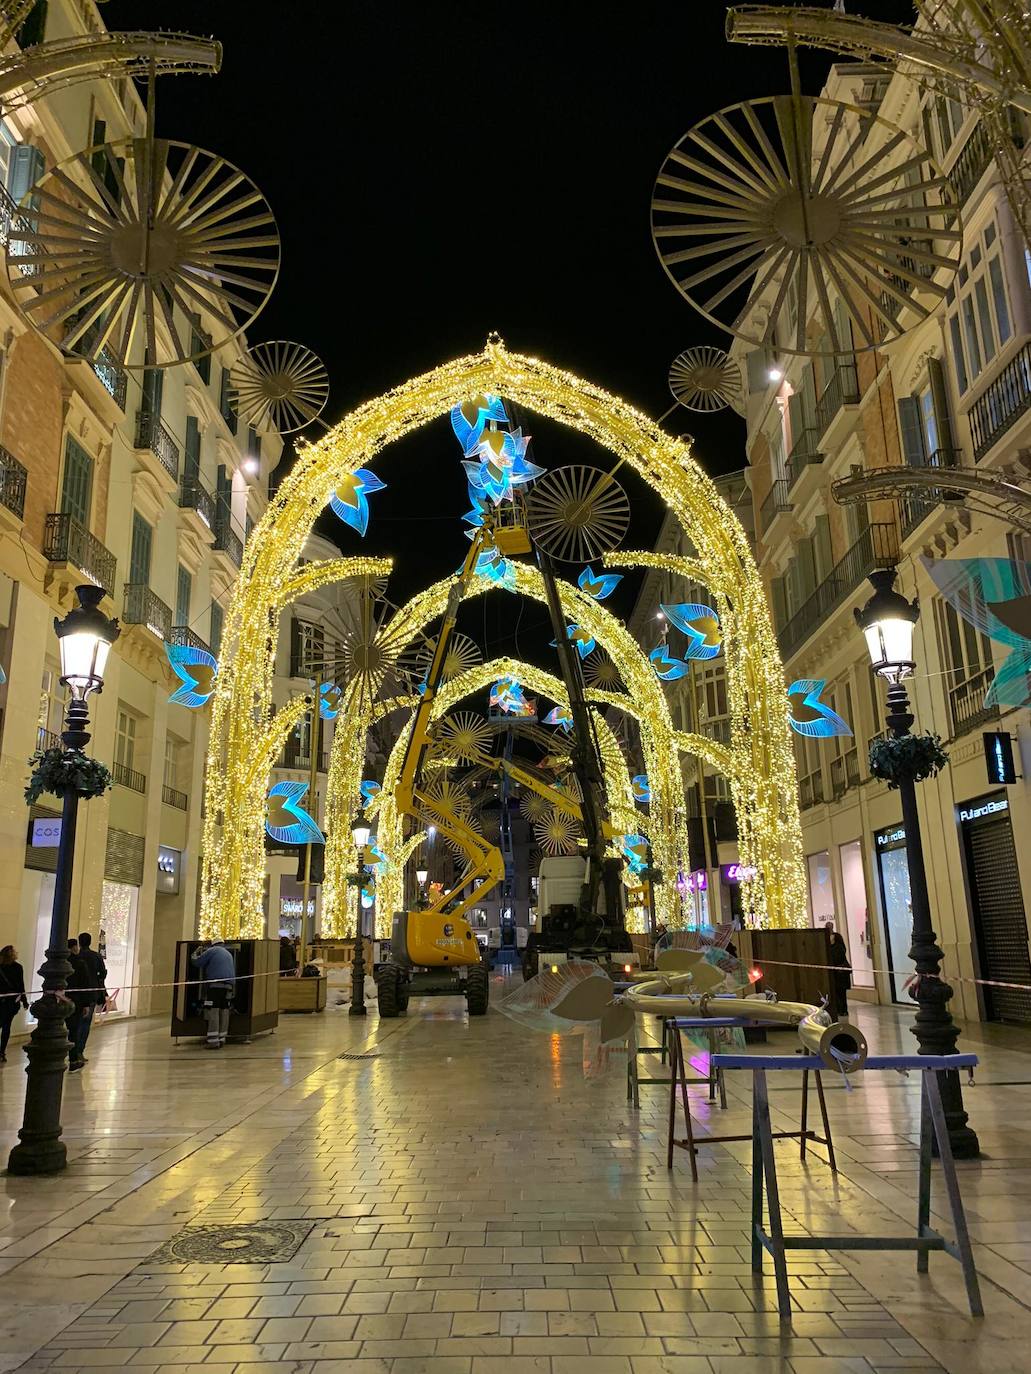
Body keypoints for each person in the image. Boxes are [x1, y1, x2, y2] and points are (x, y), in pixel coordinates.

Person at [68, 931, 106, 1068]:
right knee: (84, 1024)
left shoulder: (75, 958)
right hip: (90, 994)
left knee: (75, 1024)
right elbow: (103, 973)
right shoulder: (95, 956)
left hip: (75, 995)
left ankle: (74, 1051)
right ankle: (79, 1051)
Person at [192, 939, 236, 1048]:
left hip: (215, 986)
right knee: (224, 1010)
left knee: (213, 1011)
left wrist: (195, 952)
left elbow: (197, 962)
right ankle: (222, 1038)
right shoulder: (228, 953)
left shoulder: (212, 950)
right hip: (229, 987)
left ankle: (213, 1041)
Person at [0, 946, 28, 1062]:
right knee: (7, 1026)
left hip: (1, 1001)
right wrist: (24, 1000)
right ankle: (2, 1051)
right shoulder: (17, 967)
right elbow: (21, 986)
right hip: (11, 1002)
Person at [825, 920, 852, 1018]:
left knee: (841, 992)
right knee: (835, 992)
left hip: (840, 972)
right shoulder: (825, 940)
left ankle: (843, 1010)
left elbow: (841, 953)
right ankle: (839, 1009)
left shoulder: (838, 941)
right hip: (834, 972)